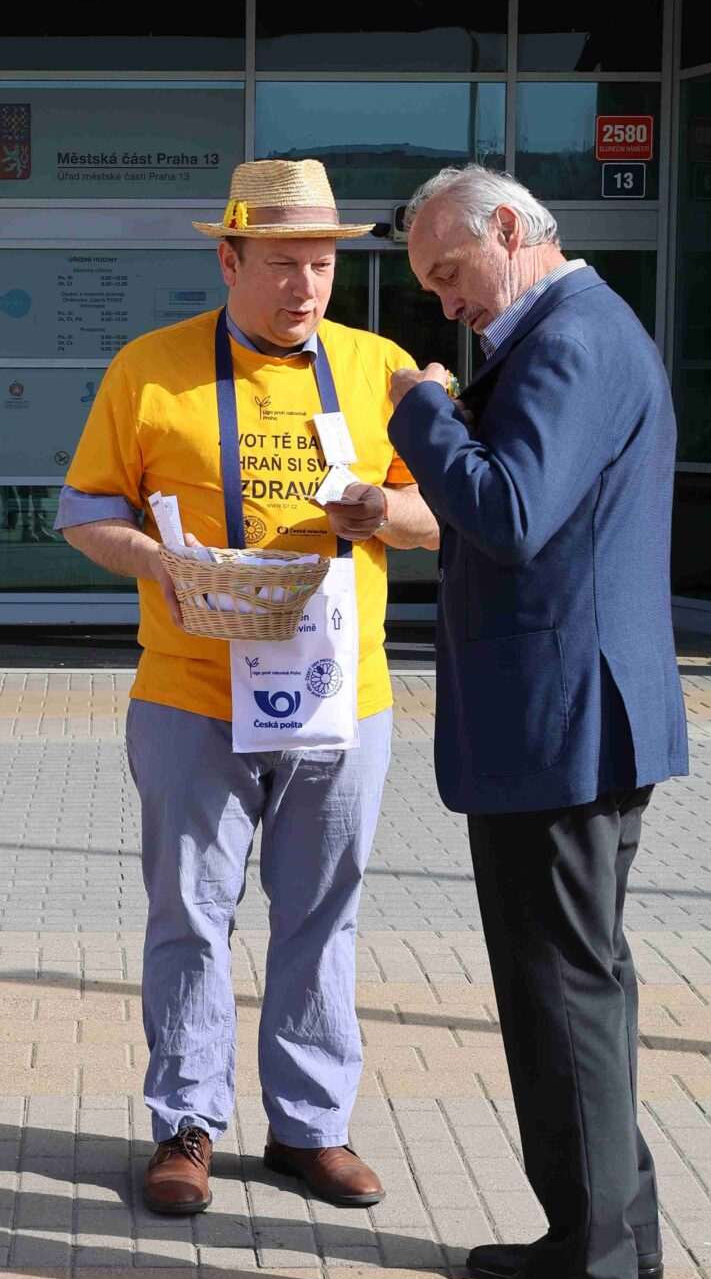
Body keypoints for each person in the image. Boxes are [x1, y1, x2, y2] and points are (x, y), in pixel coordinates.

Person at [59, 157, 438, 1217]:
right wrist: (162, 564)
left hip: (342, 693)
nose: (303, 286)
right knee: (190, 912)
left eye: (319, 264)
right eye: (279, 264)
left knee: (322, 912)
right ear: (228, 260)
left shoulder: (381, 369)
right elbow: (84, 512)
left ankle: (311, 1129)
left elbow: (439, 516)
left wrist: (385, 514)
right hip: (192, 691)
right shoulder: (150, 369)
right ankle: (185, 1123)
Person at [388, 164, 689, 1279]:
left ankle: (586, 1277)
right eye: (432, 286)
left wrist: (424, 412)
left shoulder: (570, 338)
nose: (447, 302)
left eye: (450, 273)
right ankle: (610, 1234)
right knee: (583, 988)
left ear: (509, 229)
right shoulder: (576, 332)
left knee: (561, 995)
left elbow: (510, 512)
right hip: (570, 721)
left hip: (560, 727)